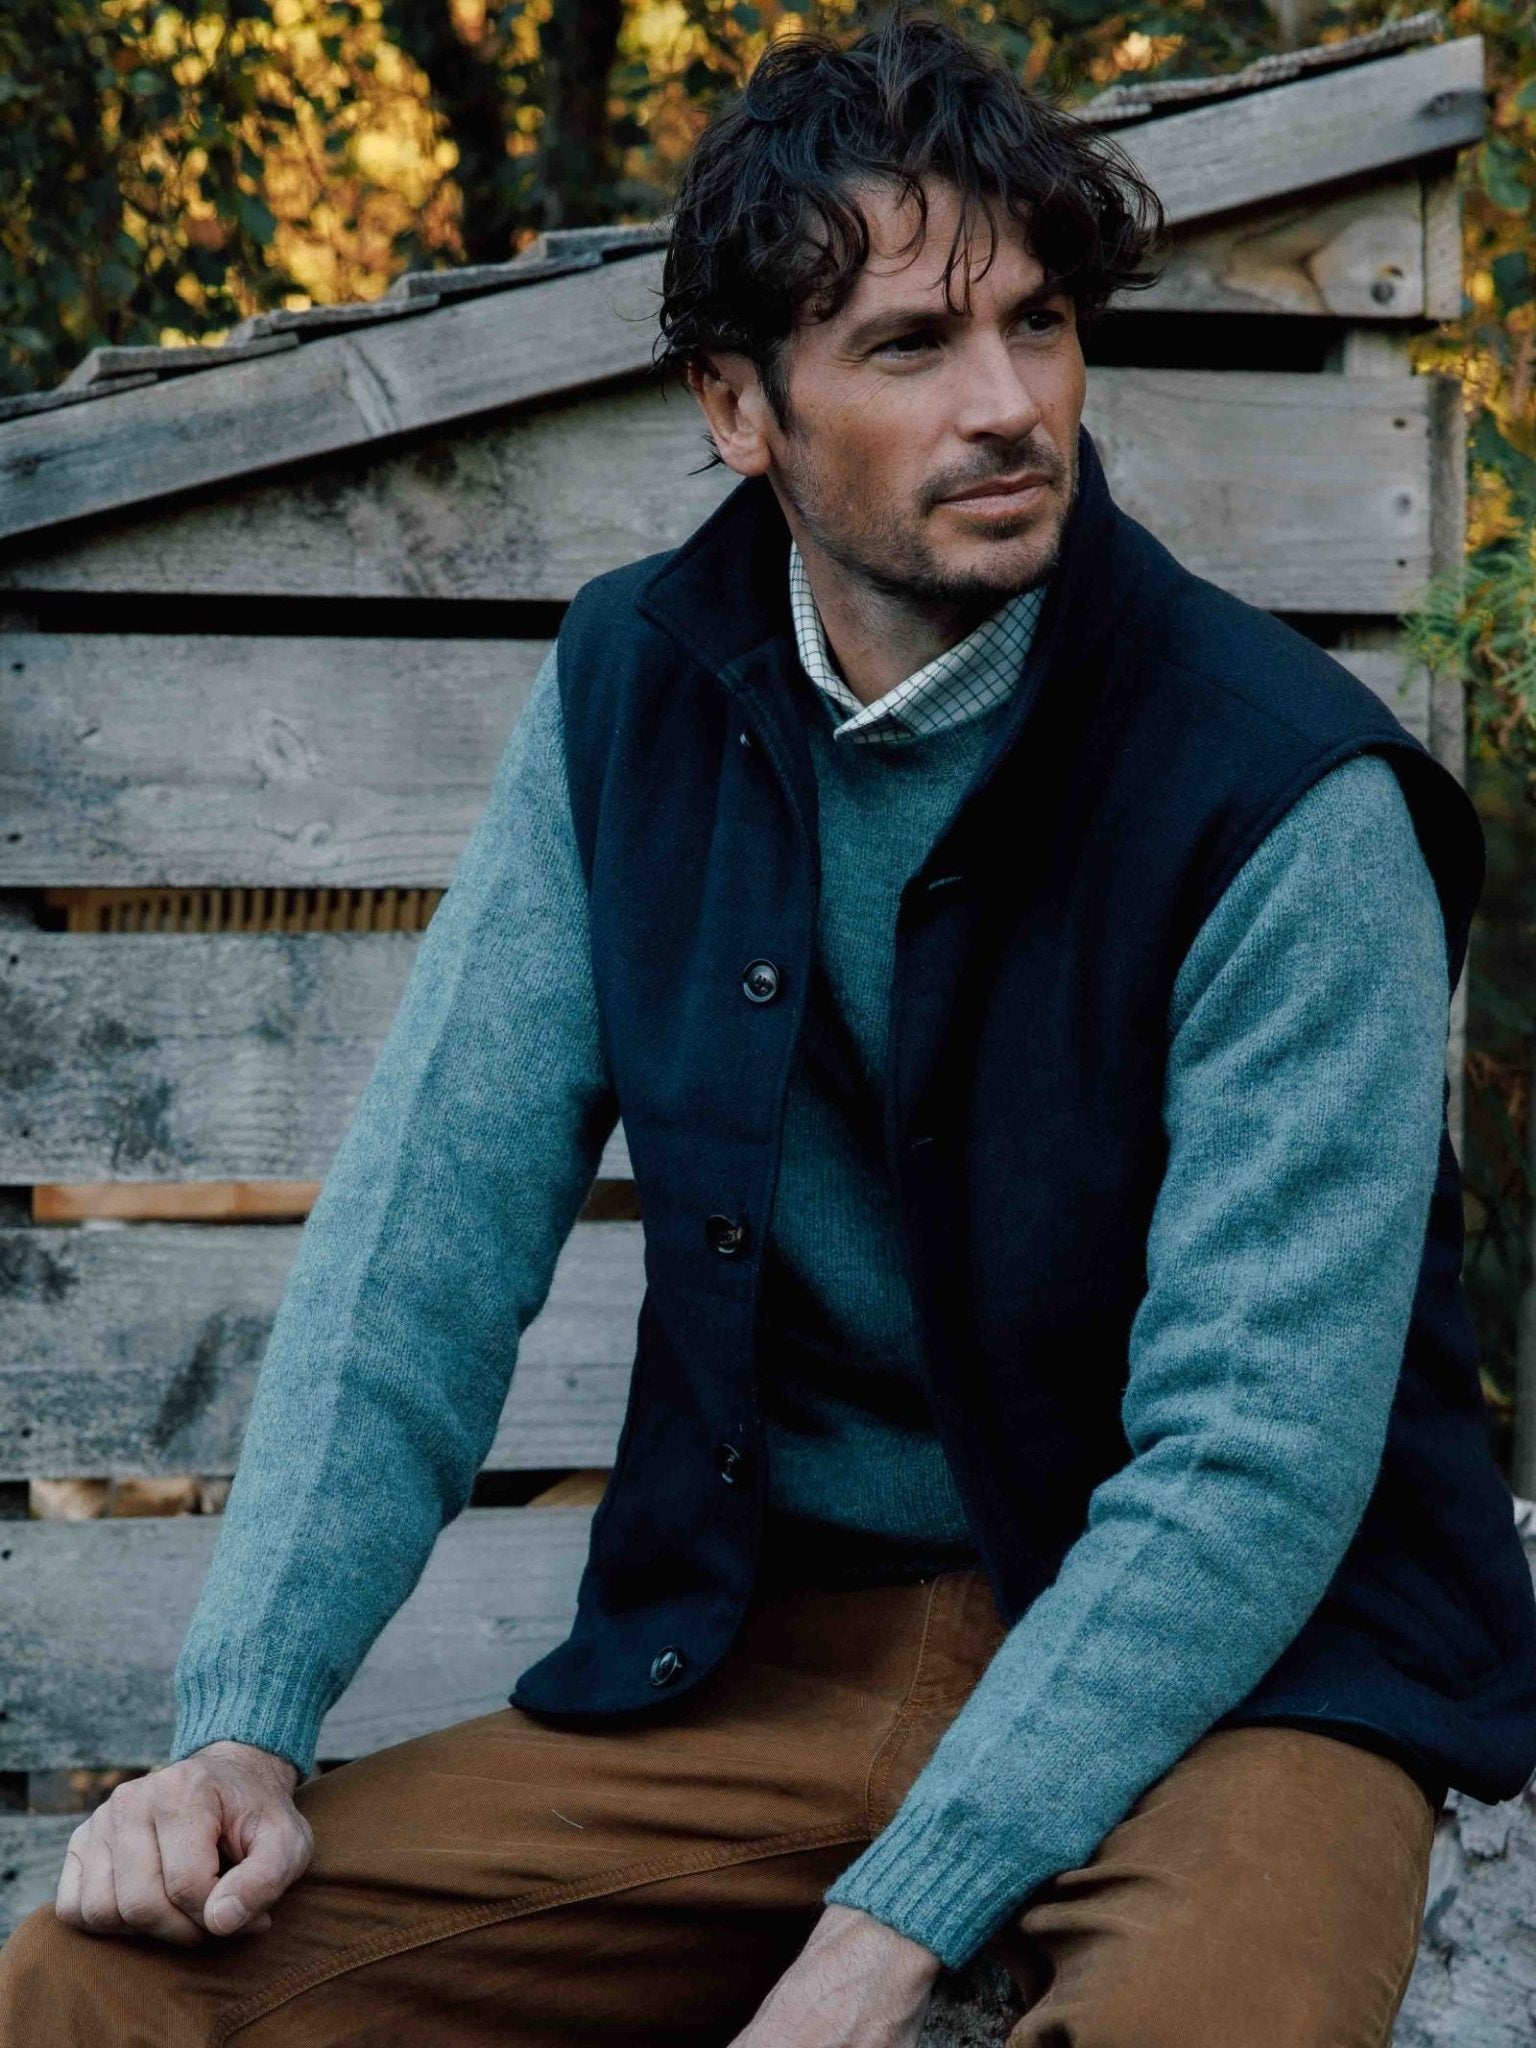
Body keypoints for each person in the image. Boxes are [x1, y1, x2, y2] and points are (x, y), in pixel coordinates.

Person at [5, 15, 1536, 2046]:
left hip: (1244, 1670)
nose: (1009, 405)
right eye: (912, 345)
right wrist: (238, 1728)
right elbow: (421, 1241)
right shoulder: (636, 687)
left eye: (1042, 324)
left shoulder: (1288, 798)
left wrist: (878, 1936)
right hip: (789, 1655)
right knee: (107, 1989)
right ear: (740, 404)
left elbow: (1249, 1467)